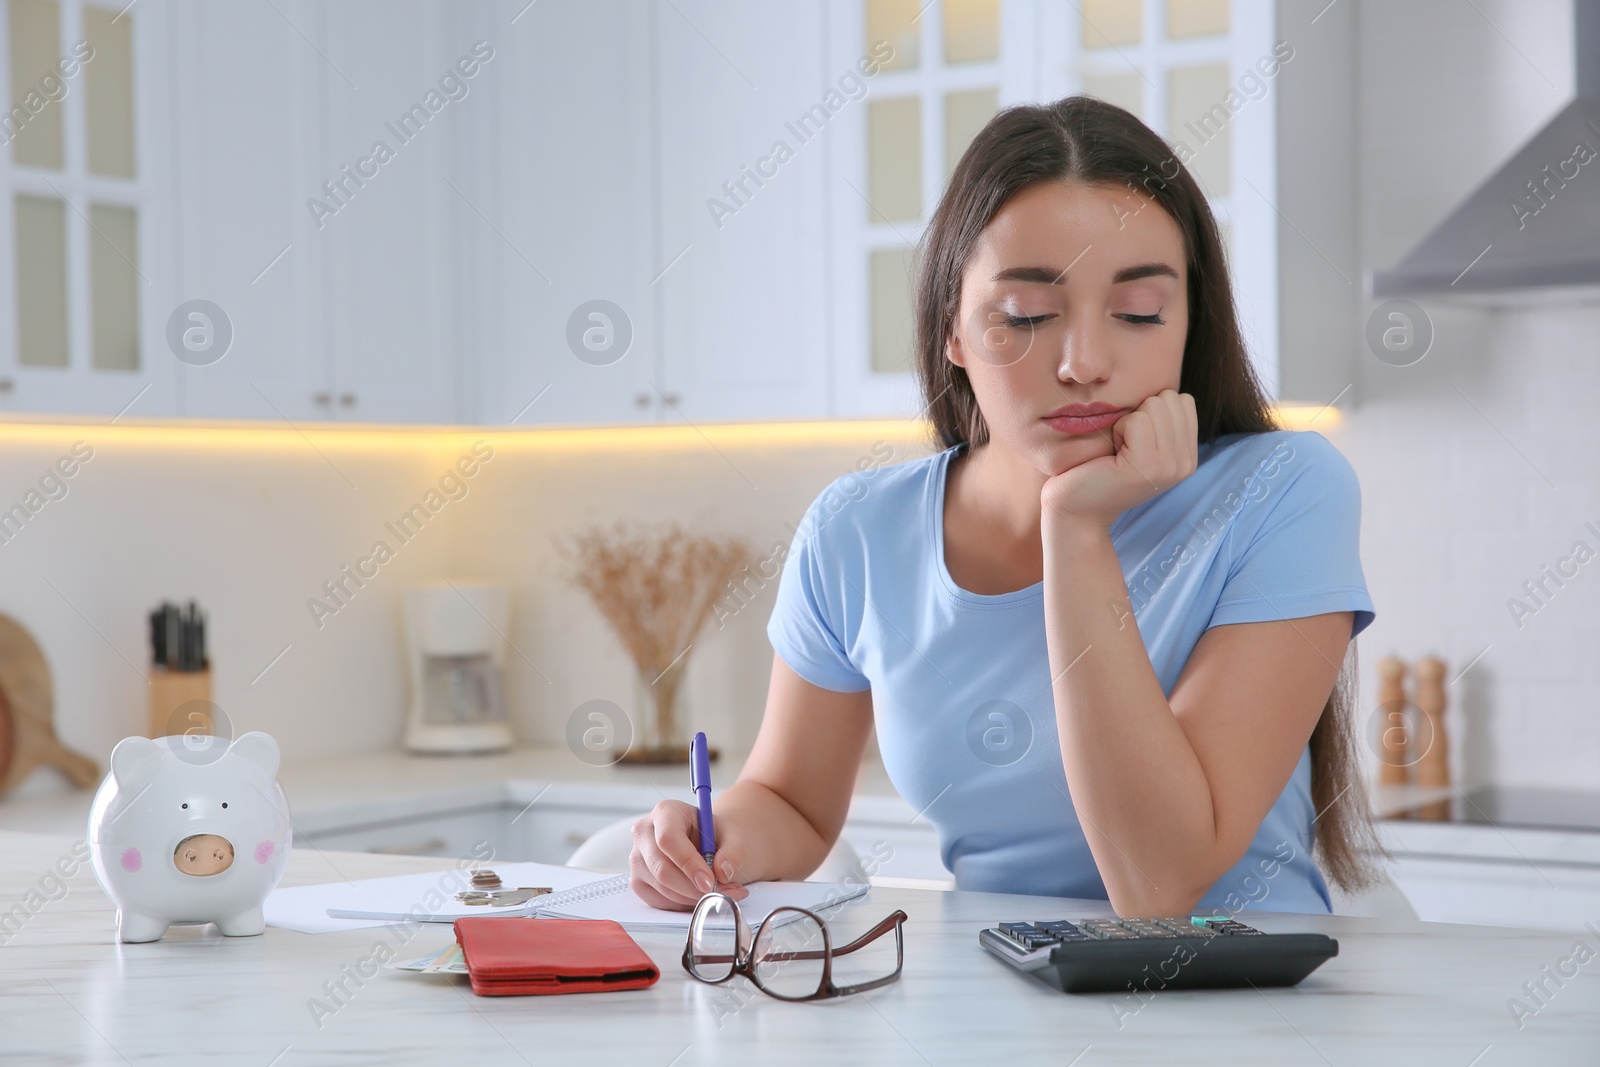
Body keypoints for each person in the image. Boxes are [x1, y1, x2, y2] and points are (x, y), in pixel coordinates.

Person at [629, 95, 1378, 917]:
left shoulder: (1283, 489)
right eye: (1026, 316)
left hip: (1240, 1012)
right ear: (951, 328)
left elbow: (1161, 881)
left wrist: (1077, 527)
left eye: (1139, 313)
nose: (1086, 362)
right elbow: (793, 804)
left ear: (1190, 321)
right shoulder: (857, 532)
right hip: (992, 1004)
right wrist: (708, 838)